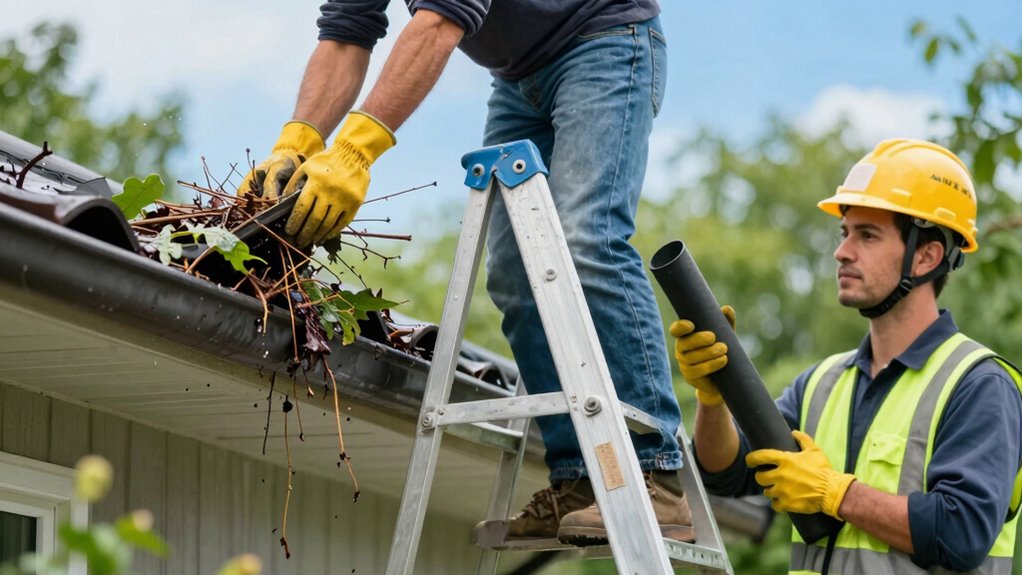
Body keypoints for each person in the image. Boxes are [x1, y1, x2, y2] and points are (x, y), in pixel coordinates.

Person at [238, 1, 692, 545]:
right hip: (519, 77)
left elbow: (439, 23)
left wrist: (355, 152)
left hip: (605, 42)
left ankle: (655, 473)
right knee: (515, 274)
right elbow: (344, 35)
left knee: (586, 241)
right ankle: (580, 477)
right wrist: (298, 140)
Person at [672, 139, 1022, 573]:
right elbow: (726, 473)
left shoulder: (979, 384)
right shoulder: (820, 383)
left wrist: (834, 493)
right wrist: (713, 398)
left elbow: (961, 532)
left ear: (927, 255)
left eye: (867, 235)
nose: (842, 251)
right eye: (845, 233)